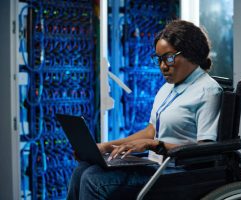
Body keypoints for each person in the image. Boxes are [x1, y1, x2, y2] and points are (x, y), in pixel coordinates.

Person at [67, 19, 223, 200]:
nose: (163, 66)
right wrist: (106, 147)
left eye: (169, 58)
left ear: (191, 54)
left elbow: (206, 150)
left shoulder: (208, 91)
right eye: (159, 59)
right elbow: (151, 131)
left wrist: (155, 145)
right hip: (156, 167)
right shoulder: (168, 88)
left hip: (181, 174)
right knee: (83, 169)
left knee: (93, 179)